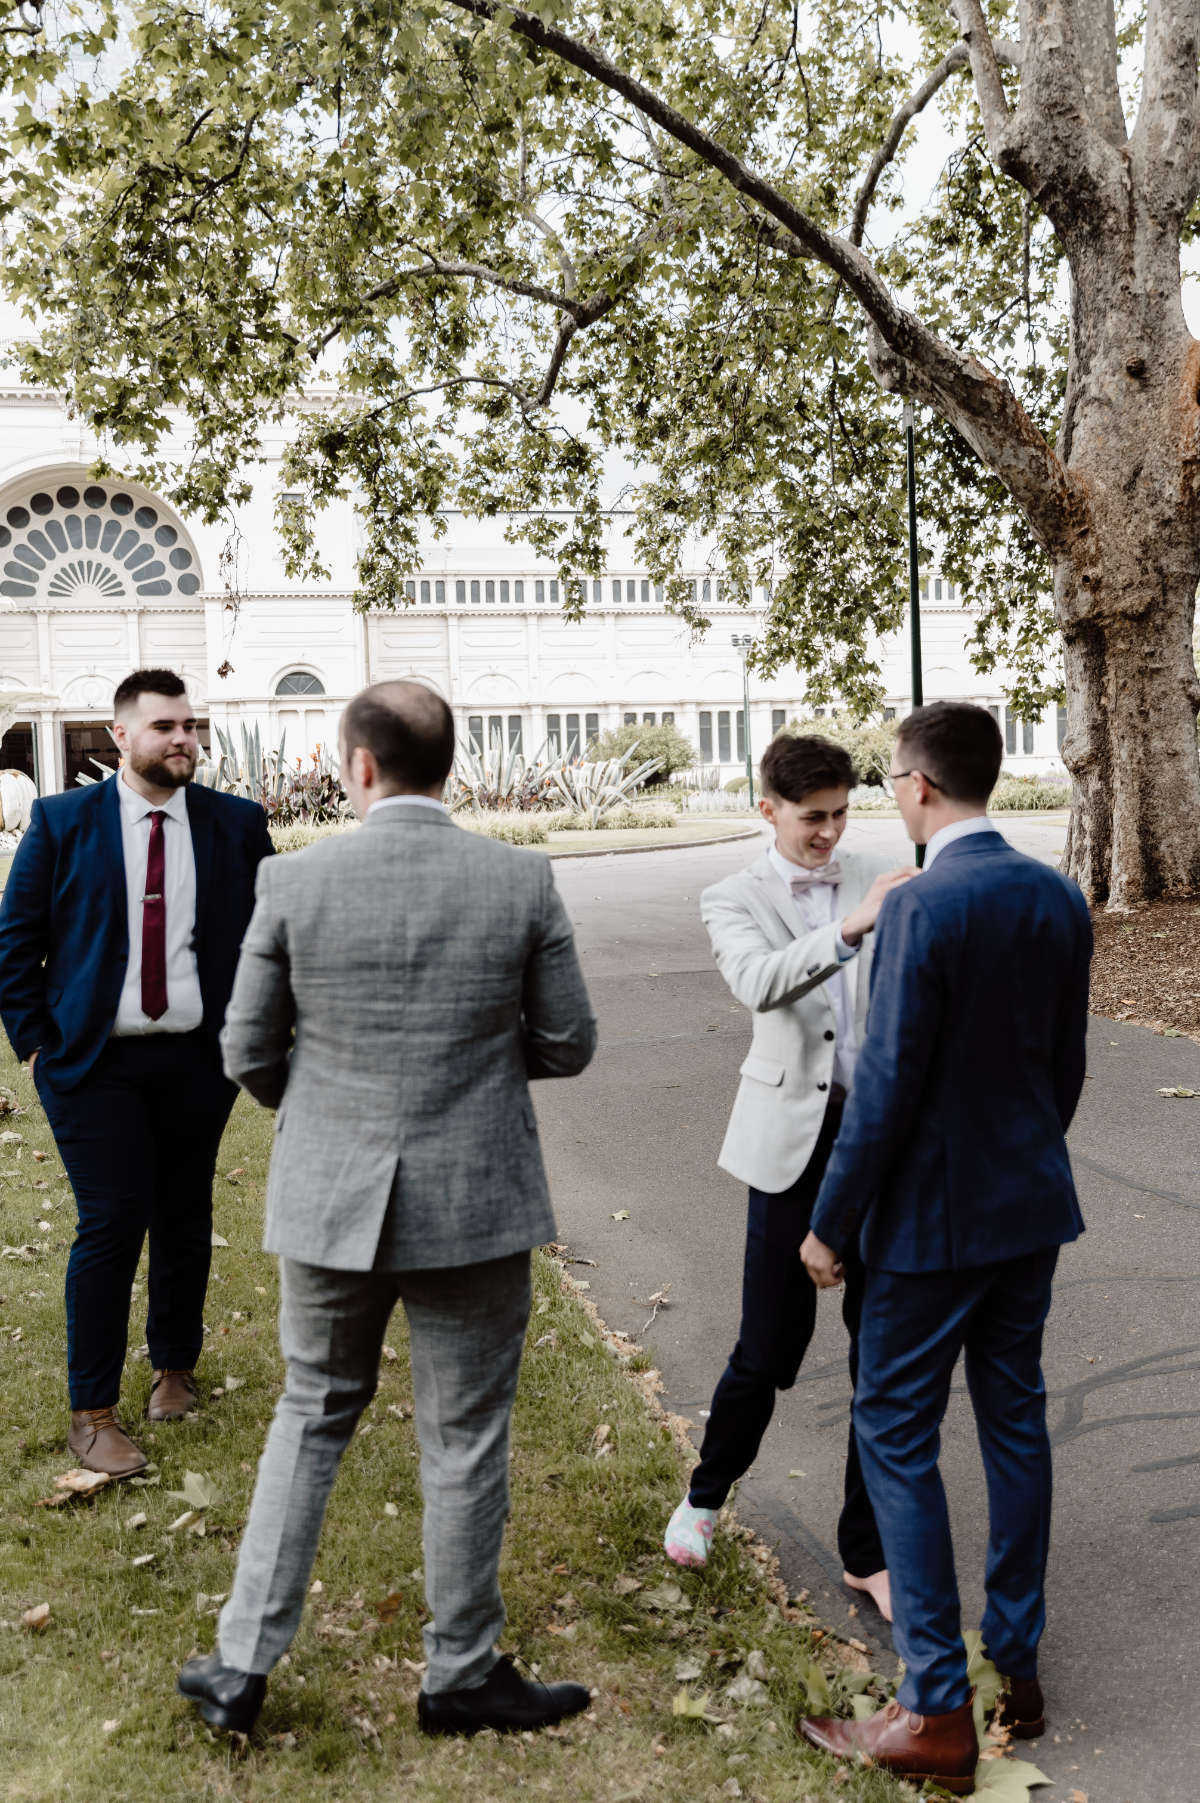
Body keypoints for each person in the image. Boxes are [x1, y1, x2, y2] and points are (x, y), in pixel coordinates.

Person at [177, 680, 598, 1740]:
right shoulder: (520, 878)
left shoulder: (291, 882)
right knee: (464, 1439)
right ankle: (460, 1673)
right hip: (477, 1197)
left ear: (358, 766)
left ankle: (241, 1664)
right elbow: (568, 1042)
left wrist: (317, 1113)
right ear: (448, 764)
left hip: (329, 1193)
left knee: (310, 1413)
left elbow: (245, 1051)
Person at [797, 702, 1092, 1796]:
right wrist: (1020, 1156)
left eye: (889, 782)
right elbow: (1064, 1069)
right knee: (1014, 1420)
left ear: (917, 787)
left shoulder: (921, 906)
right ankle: (1015, 1662)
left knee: (894, 1430)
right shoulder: (1058, 894)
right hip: (1029, 1208)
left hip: (928, 1226)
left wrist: (830, 1224)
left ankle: (932, 1705)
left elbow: (883, 1089)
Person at [663, 733, 914, 1620]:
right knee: (768, 1346)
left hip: (880, 1140)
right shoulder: (730, 895)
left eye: (844, 814)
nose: (831, 834)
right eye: (815, 817)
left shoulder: (882, 870)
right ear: (767, 807)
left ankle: (866, 1551)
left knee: (881, 1353)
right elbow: (759, 981)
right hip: (787, 1147)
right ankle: (703, 1496)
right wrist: (850, 926)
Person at [0, 669, 272, 1478]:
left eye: (191, 725)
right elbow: (15, 946)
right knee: (114, 1218)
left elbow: (266, 942)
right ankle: (92, 1411)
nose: (183, 738)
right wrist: (37, 1048)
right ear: (121, 735)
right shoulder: (61, 822)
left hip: (197, 1060)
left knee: (184, 1213)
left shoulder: (235, 824)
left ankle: (173, 1369)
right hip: (93, 1065)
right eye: (164, 726)